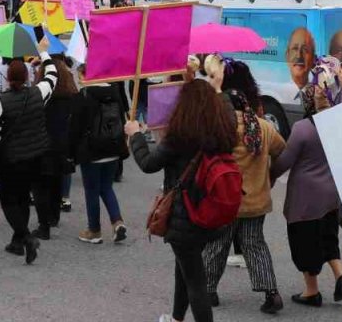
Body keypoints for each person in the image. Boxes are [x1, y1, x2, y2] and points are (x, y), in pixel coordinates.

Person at [128, 79, 238, 322]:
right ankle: (177, 317)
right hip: (208, 212)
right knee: (186, 268)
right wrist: (217, 84)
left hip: (184, 216)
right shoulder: (223, 130)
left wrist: (135, 136)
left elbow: (148, 164)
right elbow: (227, 106)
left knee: (195, 281)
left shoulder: (179, 135)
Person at [269, 59, 342, 308]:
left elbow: (285, 162)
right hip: (330, 195)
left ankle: (311, 292)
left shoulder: (304, 128)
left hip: (305, 199)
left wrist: (268, 175)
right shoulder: (341, 123)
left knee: (304, 243)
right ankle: (340, 274)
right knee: (327, 237)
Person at [201, 87, 287, 313]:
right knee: (255, 245)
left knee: (216, 246)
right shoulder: (263, 127)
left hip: (225, 201)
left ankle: (208, 291)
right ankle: (271, 293)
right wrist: (270, 175)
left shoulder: (220, 129)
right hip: (256, 202)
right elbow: (282, 152)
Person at [0, 48, 59, 264]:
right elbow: (52, 75)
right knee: (23, 198)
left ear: (8, 78)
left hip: (12, 159)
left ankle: (26, 238)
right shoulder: (38, 92)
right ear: (28, 76)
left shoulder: (1, 102)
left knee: (9, 201)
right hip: (37, 154)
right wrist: (45, 52)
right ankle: (18, 242)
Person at [69, 66, 131, 244]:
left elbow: (75, 128)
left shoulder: (84, 96)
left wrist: (70, 153)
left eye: (80, 75)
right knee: (106, 187)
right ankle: (117, 221)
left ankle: (94, 230)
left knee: (91, 190)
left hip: (91, 150)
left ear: (85, 75)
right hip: (112, 147)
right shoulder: (114, 92)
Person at [32, 59, 78, 240]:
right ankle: (54, 216)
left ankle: (44, 224)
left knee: (40, 185)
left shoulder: (42, 96)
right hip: (62, 144)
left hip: (42, 143)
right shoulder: (71, 97)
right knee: (57, 181)